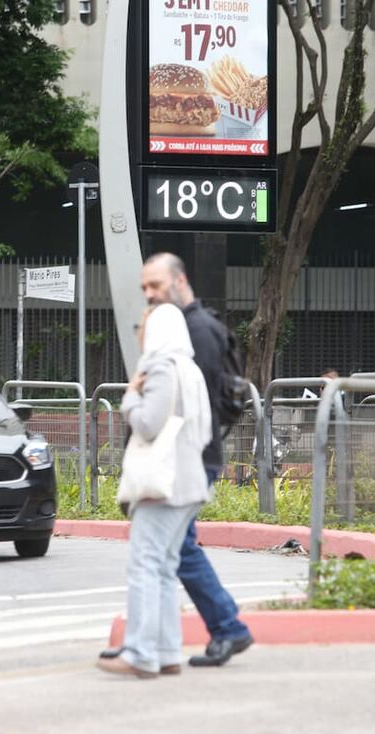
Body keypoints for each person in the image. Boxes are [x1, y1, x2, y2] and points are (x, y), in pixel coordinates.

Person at [102, 252, 255, 668]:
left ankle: (217, 629)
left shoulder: (193, 335)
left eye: (155, 286)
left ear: (179, 280)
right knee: (173, 553)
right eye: (145, 289)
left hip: (182, 460)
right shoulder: (188, 331)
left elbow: (178, 410)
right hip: (186, 458)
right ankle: (167, 642)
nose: (149, 296)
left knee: (166, 554)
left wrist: (135, 400)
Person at [96, 303, 212, 679]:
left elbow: (146, 424)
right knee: (164, 568)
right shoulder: (189, 369)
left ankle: (142, 653)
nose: (139, 332)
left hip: (162, 485)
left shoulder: (160, 367)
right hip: (188, 482)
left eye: (143, 324)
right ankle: (166, 651)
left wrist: (130, 396)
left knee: (144, 566)